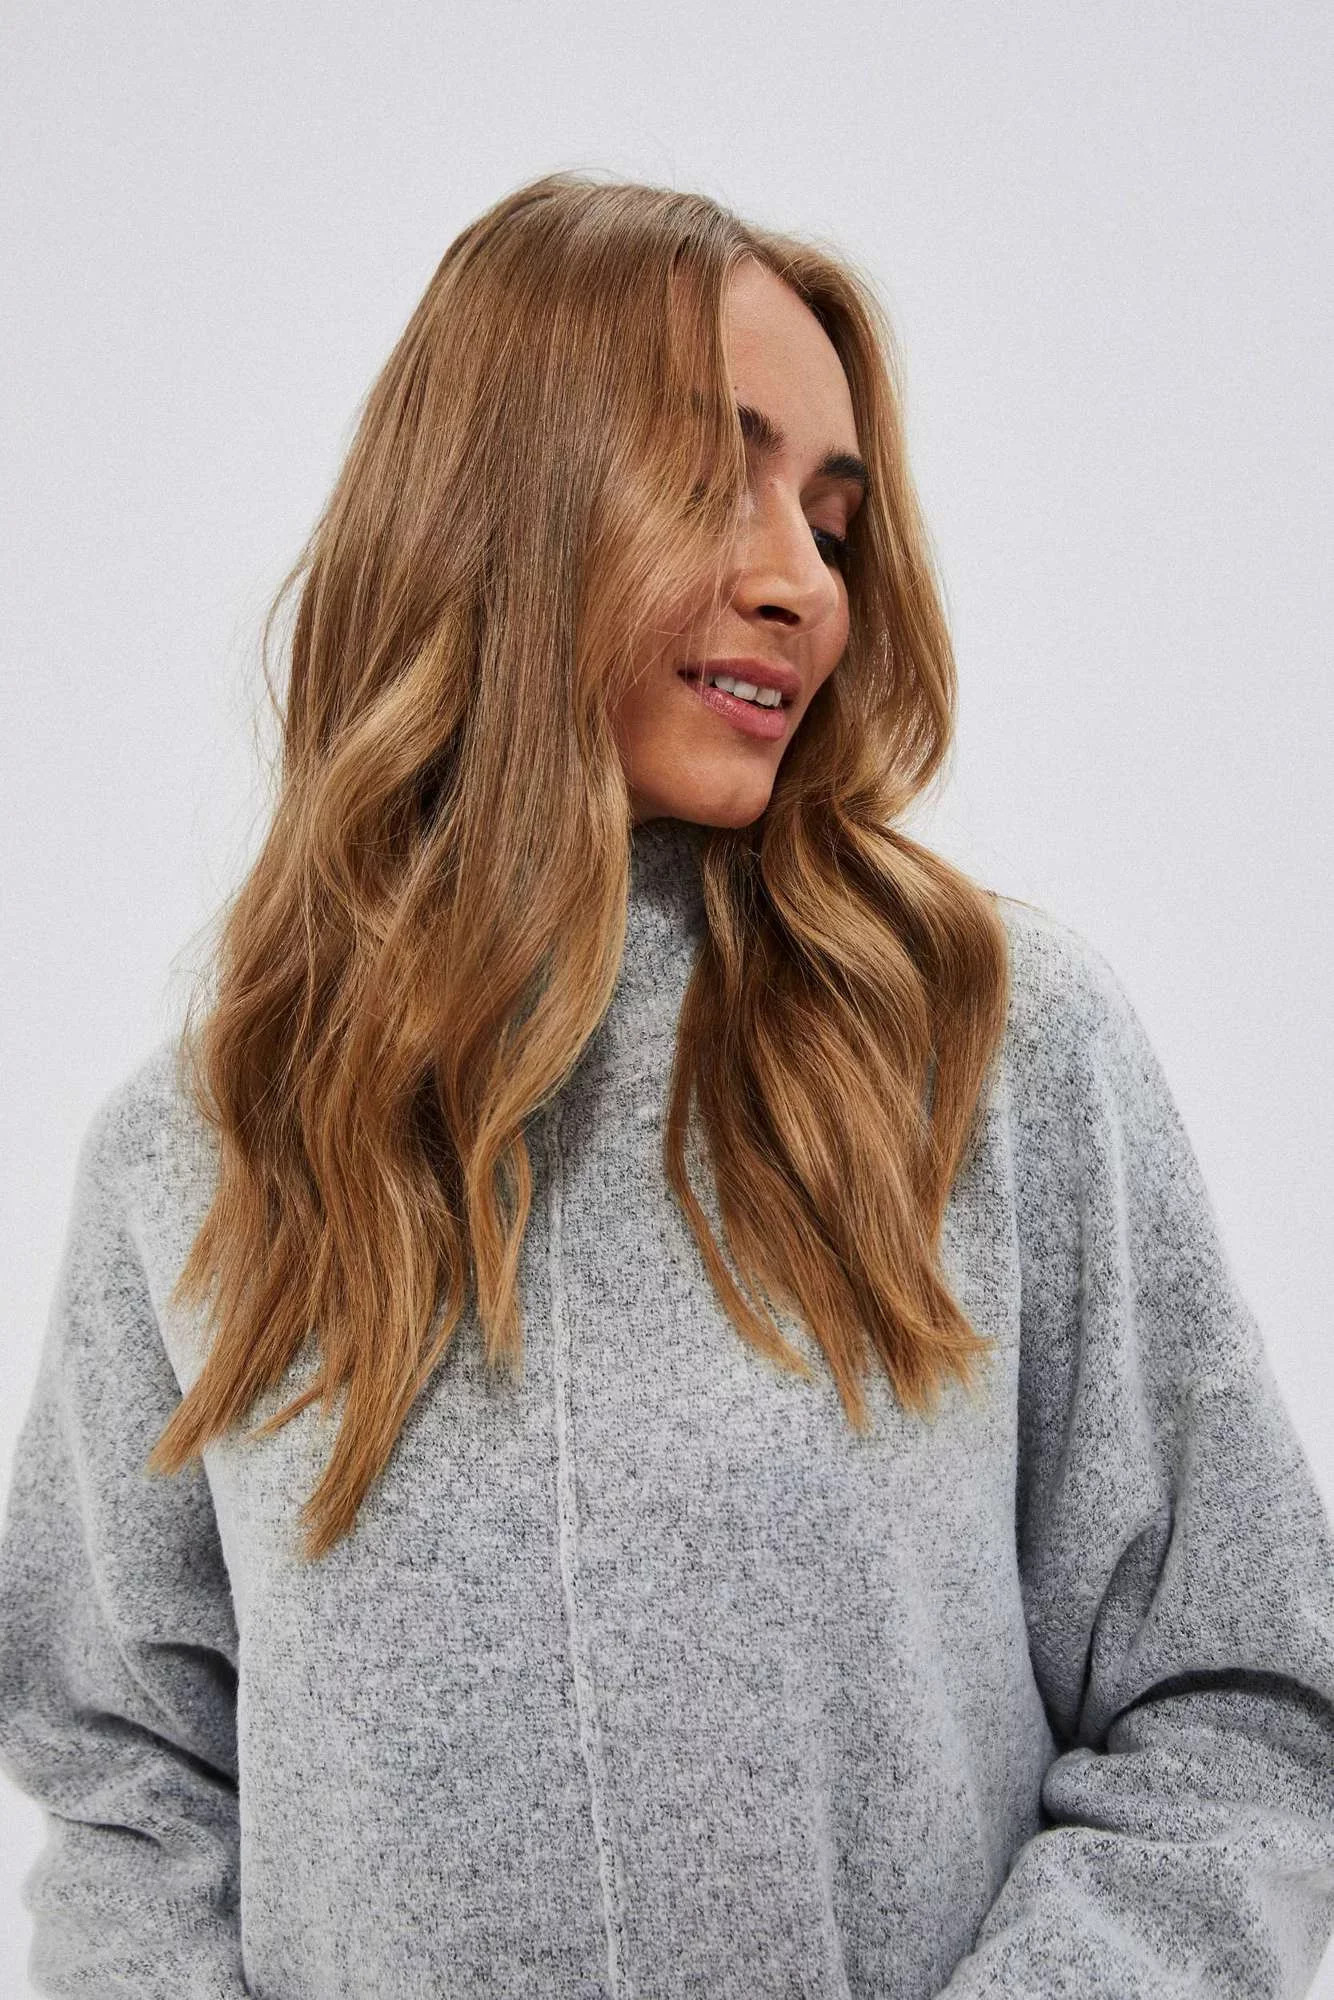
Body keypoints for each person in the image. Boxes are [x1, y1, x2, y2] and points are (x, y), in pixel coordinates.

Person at [0, 168, 1331, 2000]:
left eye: (833, 523)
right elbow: (128, 1788)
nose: (802, 582)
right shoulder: (204, 1151)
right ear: (498, 501)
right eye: (716, 481)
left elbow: (1240, 1702)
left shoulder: (983, 1047)